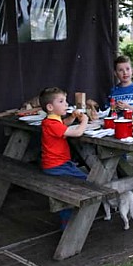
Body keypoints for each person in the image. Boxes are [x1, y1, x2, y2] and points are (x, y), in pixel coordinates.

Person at [39, 86, 89, 229]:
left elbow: (63, 125)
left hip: (55, 165)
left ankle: (70, 218)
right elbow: (78, 133)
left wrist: (72, 117)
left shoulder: (51, 121)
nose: (66, 104)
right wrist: (84, 120)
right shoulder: (52, 124)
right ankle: (69, 223)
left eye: (65, 101)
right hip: (58, 166)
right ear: (50, 107)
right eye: (61, 101)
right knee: (88, 183)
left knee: (78, 181)